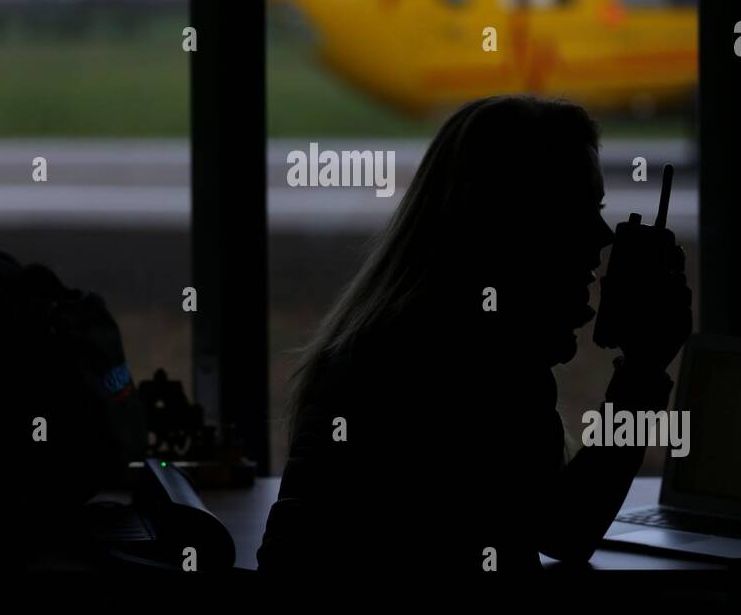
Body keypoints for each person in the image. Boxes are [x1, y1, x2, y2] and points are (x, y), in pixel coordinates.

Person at [256, 95, 692, 574]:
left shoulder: (394, 340)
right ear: (511, 225)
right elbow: (568, 529)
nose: (601, 236)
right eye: (575, 209)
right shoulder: (480, 364)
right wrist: (643, 371)